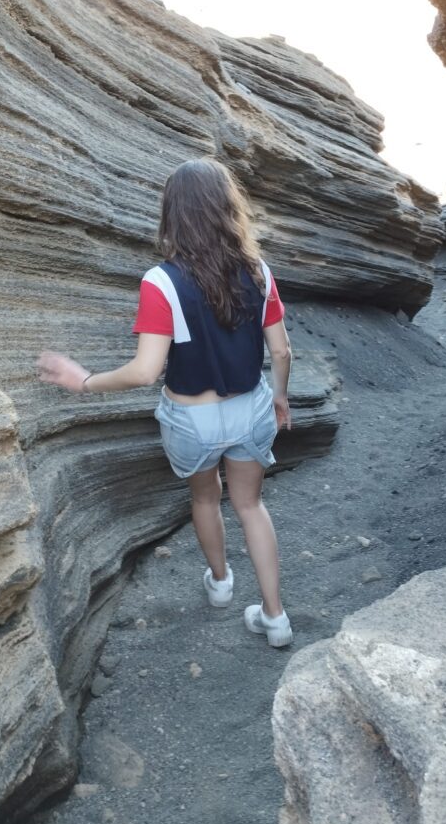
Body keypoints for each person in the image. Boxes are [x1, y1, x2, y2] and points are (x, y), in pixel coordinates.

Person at [38, 158, 294, 648]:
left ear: (173, 213)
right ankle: (276, 617)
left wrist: (84, 380)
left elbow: (144, 370)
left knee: (205, 497)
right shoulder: (259, 272)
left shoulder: (161, 281)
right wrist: (279, 396)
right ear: (227, 207)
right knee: (250, 505)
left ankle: (220, 584)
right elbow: (281, 349)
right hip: (251, 407)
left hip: (192, 418)